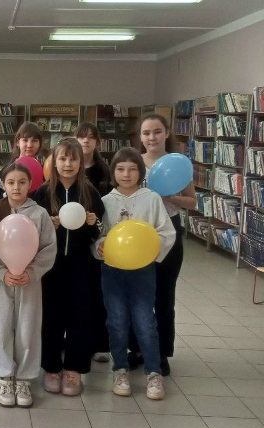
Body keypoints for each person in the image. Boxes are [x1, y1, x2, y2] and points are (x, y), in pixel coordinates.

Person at [93, 147, 176, 400]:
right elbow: (98, 235)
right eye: (120, 169)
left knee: (145, 320)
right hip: (112, 270)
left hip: (142, 271)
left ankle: (153, 372)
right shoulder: (106, 201)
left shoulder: (151, 199)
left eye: (132, 169)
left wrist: (150, 251)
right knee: (116, 321)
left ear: (140, 171)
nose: (126, 174)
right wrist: (100, 246)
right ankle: (120, 369)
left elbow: (166, 232)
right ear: (113, 172)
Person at [0, 163, 57, 408]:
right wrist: (1, 272)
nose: (16, 187)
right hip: (1, 281)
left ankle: (24, 378)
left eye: (22, 182)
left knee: (27, 328)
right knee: (1, 326)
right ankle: (4, 376)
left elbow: (48, 249)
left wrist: (31, 272)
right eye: (11, 182)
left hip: (29, 282)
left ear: (30, 184)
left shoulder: (39, 214)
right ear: (3, 185)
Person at [32, 137, 105, 396]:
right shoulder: (43, 193)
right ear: (54, 162)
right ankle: (52, 367)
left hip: (81, 266)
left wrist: (94, 223)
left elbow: (101, 232)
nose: (67, 164)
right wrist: (47, 226)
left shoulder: (90, 192)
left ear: (80, 163)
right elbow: (32, 231)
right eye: (62, 158)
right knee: (50, 316)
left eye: (73, 159)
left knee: (79, 317)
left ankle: (74, 369)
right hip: (50, 267)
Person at [128, 114, 196, 376]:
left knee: (164, 296)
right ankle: (136, 349)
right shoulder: (134, 163)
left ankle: (161, 352)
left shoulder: (178, 164)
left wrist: (170, 197)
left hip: (168, 231)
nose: (152, 137)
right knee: (137, 295)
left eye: (157, 132)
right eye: (146, 133)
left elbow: (192, 201)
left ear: (166, 133)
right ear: (140, 136)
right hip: (138, 233)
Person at [75, 122, 112, 363]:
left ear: (97, 141)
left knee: (96, 293)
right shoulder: (69, 167)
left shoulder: (104, 171)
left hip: (97, 237)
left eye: (91, 137)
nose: (86, 141)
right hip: (72, 240)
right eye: (82, 137)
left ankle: (100, 343)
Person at [0, 121, 45, 206]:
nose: (29, 145)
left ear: (40, 143)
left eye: (34, 141)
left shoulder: (45, 172)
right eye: (25, 140)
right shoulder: (5, 172)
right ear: (18, 142)